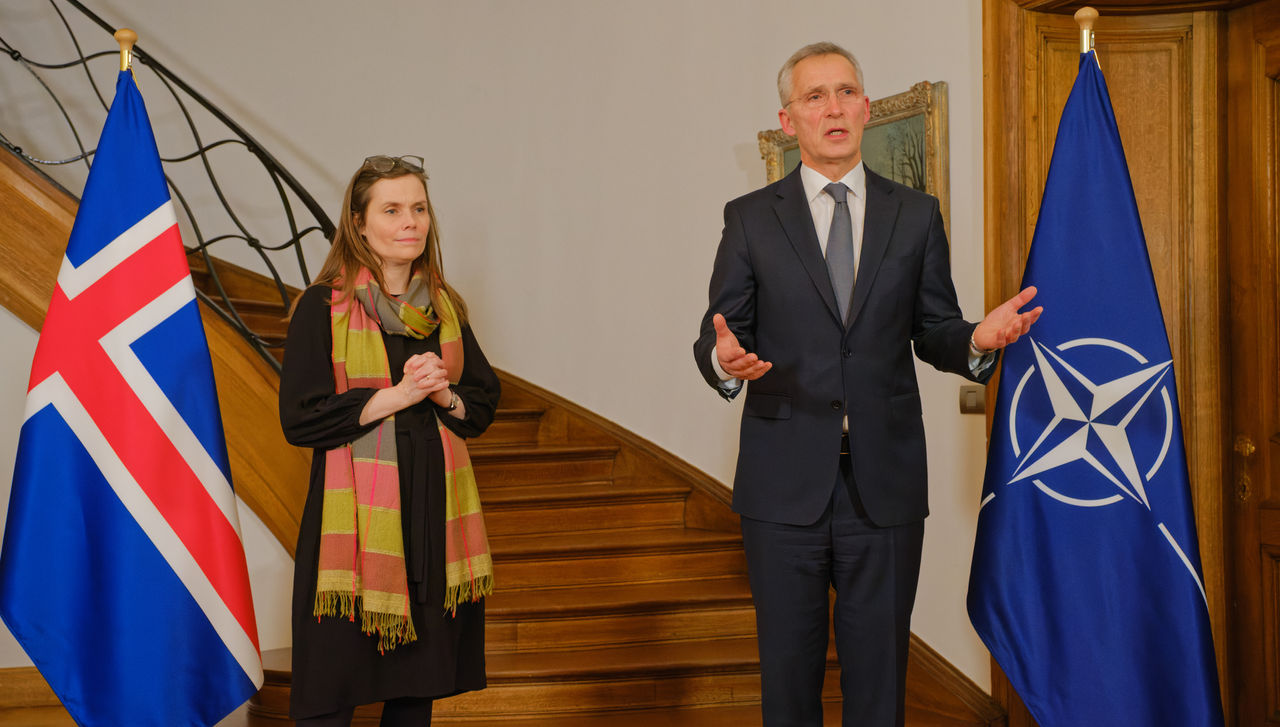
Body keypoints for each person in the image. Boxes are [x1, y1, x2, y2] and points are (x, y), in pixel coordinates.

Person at [693, 43, 1041, 727]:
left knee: (880, 685)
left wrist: (973, 339)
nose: (834, 107)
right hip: (782, 489)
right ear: (788, 120)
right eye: (815, 96)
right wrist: (723, 361)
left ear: (867, 109)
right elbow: (718, 331)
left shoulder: (914, 215)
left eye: (846, 92)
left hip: (883, 489)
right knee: (788, 686)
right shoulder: (751, 218)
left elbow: (933, 326)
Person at [280, 154, 501, 727]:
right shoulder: (320, 308)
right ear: (358, 224)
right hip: (353, 530)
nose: (411, 222)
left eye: (420, 208)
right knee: (331, 693)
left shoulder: (445, 309)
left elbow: (478, 405)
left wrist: (441, 396)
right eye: (393, 209)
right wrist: (397, 396)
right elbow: (300, 420)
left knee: (414, 694)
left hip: (430, 517)